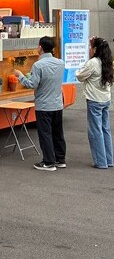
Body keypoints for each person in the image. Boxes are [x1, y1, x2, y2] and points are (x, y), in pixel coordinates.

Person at [13, 36, 66, 171]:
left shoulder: (38, 65)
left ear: (40, 47)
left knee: (45, 134)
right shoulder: (61, 63)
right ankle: (60, 159)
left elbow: (32, 84)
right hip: (57, 103)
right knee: (57, 133)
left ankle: (48, 162)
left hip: (44, 105)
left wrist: (20, 76)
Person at [75, 36, 113, 169]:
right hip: (105, 99)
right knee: (105, 129)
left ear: (95, 49)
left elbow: (79, 75)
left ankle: (100, 162)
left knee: (95, 131)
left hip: (94, 100)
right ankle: (109, 160)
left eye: (91, 47)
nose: (89, 50)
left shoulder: (93, 63)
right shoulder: (108, 61)